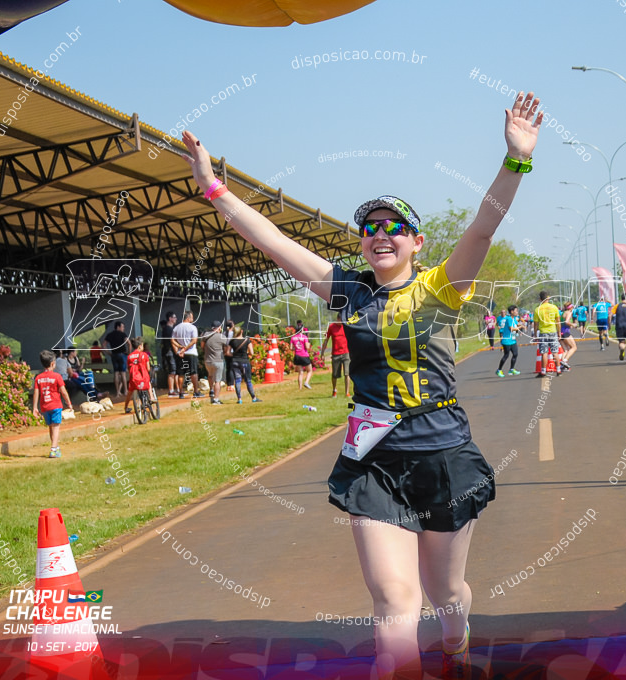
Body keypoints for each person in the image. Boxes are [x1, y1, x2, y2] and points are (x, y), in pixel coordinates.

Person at [179, 89, 542, 679]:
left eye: (395, 227)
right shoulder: (347, 289)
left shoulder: (441, 288)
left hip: (443, 455)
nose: (380, 234)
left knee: (446, 593)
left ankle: (456, 641)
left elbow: (482, 229)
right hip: (372, 460)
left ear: (416, 242)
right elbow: (271, 240)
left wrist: (516, 159)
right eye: (370, 227)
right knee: (397, 601)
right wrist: (211, 185)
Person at [32, 350, 72, 458]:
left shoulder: (38, 378)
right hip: (55, 405)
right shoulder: (57, 376)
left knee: (51, 426)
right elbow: (63, 391)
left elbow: (36, 393)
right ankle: (53, 449)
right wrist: (69, 403)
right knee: (56, 426)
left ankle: (55, 446)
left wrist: (35, 407)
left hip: (44, 407)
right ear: (53, 364)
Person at [226, 326, 261, 403]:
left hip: (235, 362)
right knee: (248, 380)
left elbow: (227, 352)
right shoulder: (247, 340)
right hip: (244, 361)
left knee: (238, 380)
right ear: (241, 331)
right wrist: (246, 353)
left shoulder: (232, 341)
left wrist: (234, 355)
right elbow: (251, 352)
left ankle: (239, 399)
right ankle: (253, 397)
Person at [172, 311, 202, 399]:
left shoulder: (176, 327)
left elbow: (172, 340)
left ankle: (181, 392)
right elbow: (194, 341)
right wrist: (186, 348)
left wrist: (180, 347)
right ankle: (196, 391)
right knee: (193, 372)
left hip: (180, 353)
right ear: (188, 318)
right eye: (192, 317)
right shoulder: (193, 327)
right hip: (191, 352)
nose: (193, 319)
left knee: (181, 373)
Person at [324, 312, 351, 397]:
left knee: (347, 373)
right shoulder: (331, 327)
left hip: (346, 353)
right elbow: (326, 340)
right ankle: (334, 390)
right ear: (337, 319)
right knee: (335, 374)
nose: (341, 322)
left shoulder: (346, 326)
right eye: (340, 320)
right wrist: (322, 352)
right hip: (336, 354)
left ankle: (347, 392)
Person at [125, 338, 156, 413]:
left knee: (130, 392)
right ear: (139, 346)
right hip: (143, 377)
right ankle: (151, 397)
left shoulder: (129, 356)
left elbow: (128, 368)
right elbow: (148, 368)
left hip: (134, 378)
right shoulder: (144, 355)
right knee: (148, 383)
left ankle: (126, 407)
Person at [534, 292, 560, 377]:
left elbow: (536, 324)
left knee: (544, 352)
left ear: (540, 299)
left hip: (543, 332)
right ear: (548, 298)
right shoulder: (554, 307)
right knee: (555, 351)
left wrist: (535, 334)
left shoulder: (537, 309)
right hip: (553, 331)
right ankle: (558, 370)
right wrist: (559, 332)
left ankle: (543, 371)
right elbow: (558, 321)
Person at [203, 321, 228, 405]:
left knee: (210, 376)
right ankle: (216, 400)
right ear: (219, 327)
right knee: (217, 381)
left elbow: (202, 346)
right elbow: (227, 347)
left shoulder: (206, 334)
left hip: (208, 361)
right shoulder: (221, 336)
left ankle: (211, 391)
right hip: (218, 360)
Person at [104, 321, 130, 397]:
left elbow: (104, 345)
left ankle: (117, 392)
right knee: (123, 373)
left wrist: (109, 353)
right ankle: (125, 391)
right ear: (118, 327)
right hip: (122, 354)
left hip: (114, 355)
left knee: (116, 373)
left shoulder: (110, 335)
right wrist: (128, 351)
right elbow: (129, 343)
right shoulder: (122, 334)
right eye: (122, 327)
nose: (123, 328)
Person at [159, 312, 182, 396]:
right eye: (174, 317)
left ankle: (178, 389)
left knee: (175, 370)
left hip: (172, 352)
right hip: (170, 352)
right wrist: (178, 349)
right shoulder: (168, 329)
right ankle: (171, 390)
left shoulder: (170, 329)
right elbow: (172, 342)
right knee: (172, 371)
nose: (176, 319)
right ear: (170, 318)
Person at [495, 306, 521, 377]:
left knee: (515, 354)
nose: (517, 312)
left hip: (512, 340)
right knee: (506, 355)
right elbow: (511, 329)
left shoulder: (514, 318)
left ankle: (511, 369)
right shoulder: (509, 319)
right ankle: (499, 370)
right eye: (516, 310)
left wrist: (522, 325)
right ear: (512, 312)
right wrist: (520, 328)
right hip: (506, 340)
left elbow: (517, 324)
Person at [290, 320, 314, 389]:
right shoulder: (304, 337)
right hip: (304, 355)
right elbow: (307, 347)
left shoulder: (293, 337)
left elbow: (291, 348)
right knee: (309, 370)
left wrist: (297, 348)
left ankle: (300, 388)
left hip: (297, 356)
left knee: (300, 372)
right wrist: (308, 344)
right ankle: (306, 382)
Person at [558, 303, 577, 371]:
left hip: (561, 332)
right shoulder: (568, 313)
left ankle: (562, 367)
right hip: (565, 332)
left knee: (565, 350)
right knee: (574, 347)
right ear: (570, 307)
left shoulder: (562, 313)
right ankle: (564, 361)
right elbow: (566, 322)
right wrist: (573, 324)